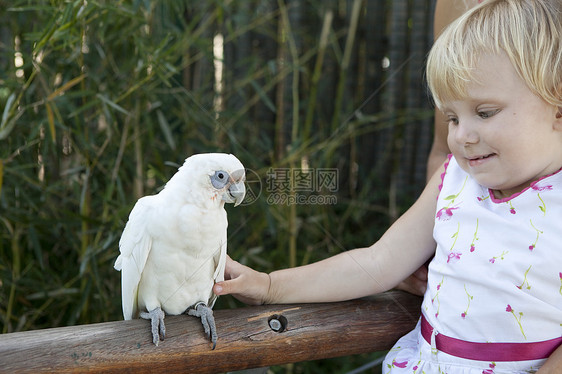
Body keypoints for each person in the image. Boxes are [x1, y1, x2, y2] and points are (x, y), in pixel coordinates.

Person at [214, 0, 562, 372]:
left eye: (484, 112)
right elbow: (378, 262)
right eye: (451, 117)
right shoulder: (457, 179)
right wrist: (269, 286)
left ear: (557, 103)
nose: (461, 136)